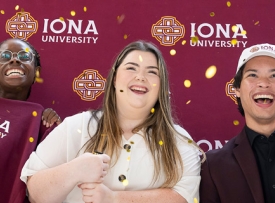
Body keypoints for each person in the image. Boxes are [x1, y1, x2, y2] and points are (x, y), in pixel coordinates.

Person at [21, 40, 202, 203]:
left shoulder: (179, 141)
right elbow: (35, 192)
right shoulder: (76, 127)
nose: (140, 77)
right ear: (114, 79)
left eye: (152, 72)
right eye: (131, 68)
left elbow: (185, 198)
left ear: (161, 86)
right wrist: (75, 170)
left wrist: (113, 198)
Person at [200, 43, 275, 203]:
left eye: (274, 75)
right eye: (253, 75)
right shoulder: (213, 167)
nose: (263, 83)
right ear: (237, 90)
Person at [0, 38, 61, 203]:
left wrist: (55, 129)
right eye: (4, 56)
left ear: (37, 72)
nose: (14, 59)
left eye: (24, 56)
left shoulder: (42, 121)